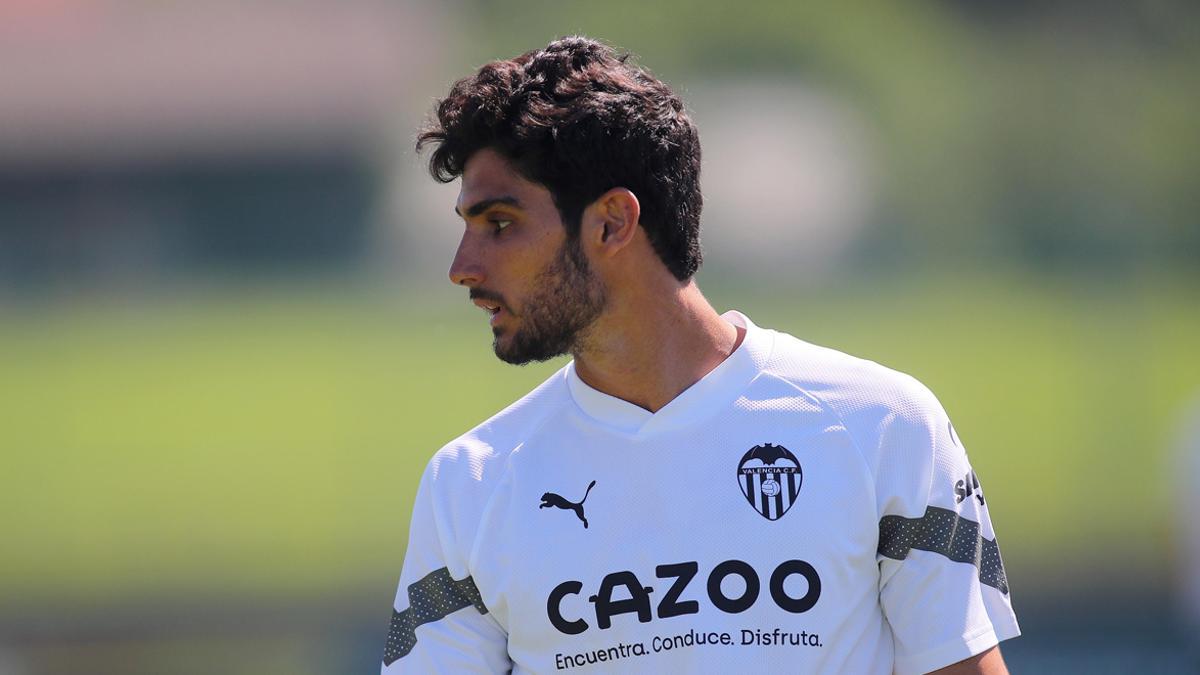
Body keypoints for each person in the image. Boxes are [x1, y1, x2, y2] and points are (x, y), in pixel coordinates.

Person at [382, 36, 1019, 674]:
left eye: (498, 224)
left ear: (611, 223)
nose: (462, 268)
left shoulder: (883, 425)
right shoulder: (467, 485)